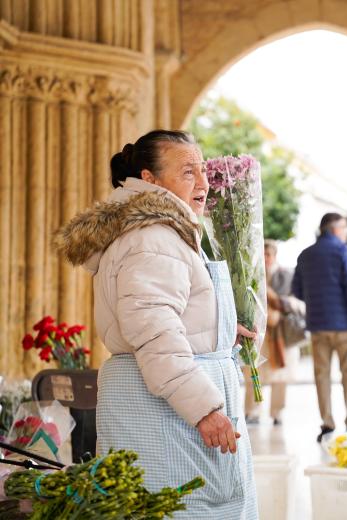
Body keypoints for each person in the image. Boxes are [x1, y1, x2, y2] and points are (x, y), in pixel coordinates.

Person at [54, 130, 258, 518]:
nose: (203, 183)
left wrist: (218, 328)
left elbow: (162, 313)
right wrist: (204, 409)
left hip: (167, 410)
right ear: (149, 180)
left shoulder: (163, 231)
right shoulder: (154, 236)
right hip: (168, 417)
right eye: (187, 172)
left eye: (202, 171)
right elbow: (153, 331)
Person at [293, 212, 347, 441]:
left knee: (321, 374)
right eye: (345, 228)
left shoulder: (305, 255)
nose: (346, 232)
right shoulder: (344, 253)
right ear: (335, 229)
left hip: (318, 325)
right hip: (345, 326)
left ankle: (327, 422)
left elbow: (298, 290)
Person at [244, 240, 306, 425]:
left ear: (275, 255)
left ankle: (277, 413)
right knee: (254, 373)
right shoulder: (251, 276)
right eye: (262, 255)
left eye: (268, 255)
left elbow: (297, 302)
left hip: (281, 332)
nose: (265, 258)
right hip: (258, 332)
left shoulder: (287, 275)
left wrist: (278, 310)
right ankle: (252, 411)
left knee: (281, 376)